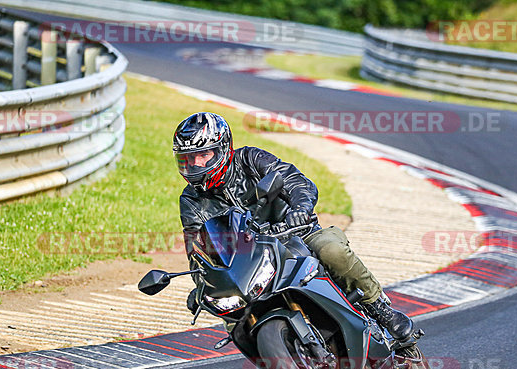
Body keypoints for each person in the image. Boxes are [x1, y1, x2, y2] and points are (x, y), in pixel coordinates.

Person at [173, 111, 414, 340]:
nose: (195, 165)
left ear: (223, 149)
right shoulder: (191, 200)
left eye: (203, 155)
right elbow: (197, 249)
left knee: (332, 250)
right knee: (233, 317)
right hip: (248, 260)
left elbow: (297, 182)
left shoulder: (250, 159)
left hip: (295, 234)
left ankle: (379, 307)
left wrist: (300, 210)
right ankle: (283, 366)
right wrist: (203, 284)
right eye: (188, 160)